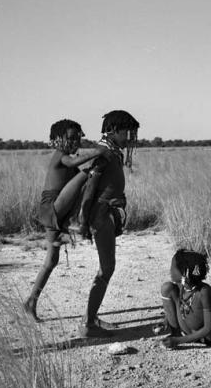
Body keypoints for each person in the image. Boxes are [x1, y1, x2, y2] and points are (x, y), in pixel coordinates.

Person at [23, 119, 111, 322]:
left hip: (61, 212)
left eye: (77, 138)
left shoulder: (70, 155)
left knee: (51, 260)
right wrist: (99, 152)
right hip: (52, 208)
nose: (74, 142)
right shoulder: (61, 156)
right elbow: (72, 163)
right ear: (56, 140)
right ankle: (69, 233)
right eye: (70, 138)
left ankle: (31, 302)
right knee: (87, 174)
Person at [77, 110, 140, 337]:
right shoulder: (103, 153)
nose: (129, 138)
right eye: (126, 133)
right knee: (107, 268)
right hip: (101, 215)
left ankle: (91, 317)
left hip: (108, 214)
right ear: (113, 131)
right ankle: (87, 325)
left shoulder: (112, 151)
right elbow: (90, 189)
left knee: (106, 267)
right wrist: (84, 221)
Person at [159, 249, 211, 355]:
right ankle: (176, 333)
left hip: (206, 335)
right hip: (186, 331)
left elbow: (208, 327)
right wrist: (166, 320)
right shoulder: (181, 286)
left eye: (173, 268)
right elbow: (179, 306)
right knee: (167, 287)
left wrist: (178, 341)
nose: (170, 271)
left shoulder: (204, 292)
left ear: (185, 273)